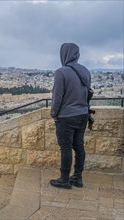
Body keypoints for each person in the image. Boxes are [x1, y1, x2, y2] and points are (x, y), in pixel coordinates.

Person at [50, 43, 91, 189]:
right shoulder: (85, 71)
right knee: (79, 146)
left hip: (66, 117)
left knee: (66, 148)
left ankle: (64, 179)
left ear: (64, 54)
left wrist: (53, 114)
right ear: (77, 54)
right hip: (83, 115)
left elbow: (57, 97)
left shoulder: (61, 72)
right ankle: (77, 178)